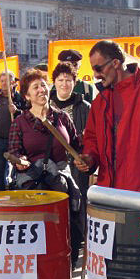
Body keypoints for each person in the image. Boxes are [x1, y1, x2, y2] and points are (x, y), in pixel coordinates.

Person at [74, 40, 140, 191]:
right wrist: (89, 158)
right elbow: (92, 140)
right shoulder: (100, 101)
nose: (96, 75)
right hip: (109, 192)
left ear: (115, 63)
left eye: (98, 69)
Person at [8, 69, 82, 267]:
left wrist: (83, 158)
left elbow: (76, 146)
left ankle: (66, 266)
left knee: (67, 228)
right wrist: (19, 161)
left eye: (43, 85)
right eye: (35, 87)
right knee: (39, 233)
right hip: (34, 187)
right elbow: (14, 151)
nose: (41, 90)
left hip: (61, 184)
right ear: (27, 95)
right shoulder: (19, 123)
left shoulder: (62, 118)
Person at [50, 61, 91, 267]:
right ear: (54, 82)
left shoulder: (84, 107)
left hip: (77, 163)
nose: (64, 84)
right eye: (60, 80)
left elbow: (92, 137)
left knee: (77, 204)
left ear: (74, 83)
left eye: (68, 80)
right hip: (53, 165)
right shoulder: (46, 105)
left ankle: (76, 245)